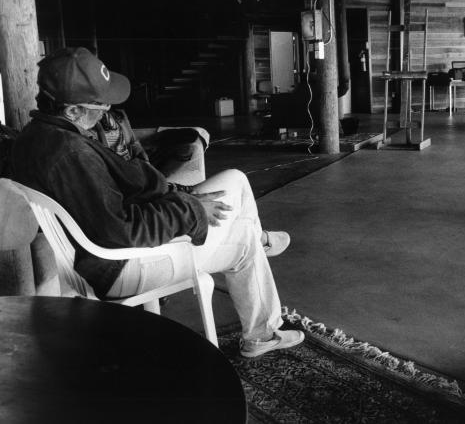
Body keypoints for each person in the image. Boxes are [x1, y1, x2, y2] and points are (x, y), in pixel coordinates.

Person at [12, 47, 303, 358]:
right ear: (72, 111)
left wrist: (180, 200)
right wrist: (190, 208)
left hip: (96, 258)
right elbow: (122, 230)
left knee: (236, 190)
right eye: (100, 105)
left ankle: (263, 317)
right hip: (121, 267)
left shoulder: (35, 138)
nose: (106, 112)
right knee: (241, 217)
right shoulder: (71, 154)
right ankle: (261, 325)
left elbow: (106, 210)